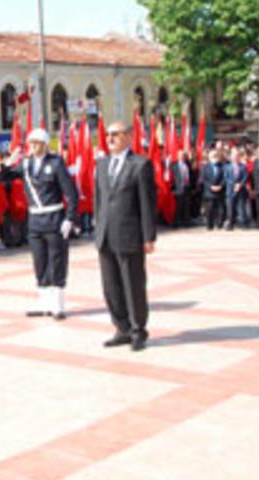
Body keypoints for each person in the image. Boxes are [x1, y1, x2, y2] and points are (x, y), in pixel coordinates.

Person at [0, 128, 78, 320]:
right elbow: (3, 178)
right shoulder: (26, 164)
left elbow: (71, 193)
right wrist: (8, 163)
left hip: (54, 218)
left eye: (36, 143)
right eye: (30, 143)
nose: (32, 147)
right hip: (35, 221)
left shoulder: (56, 163)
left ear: (44, 144)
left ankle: (57, 304)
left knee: (57, 260)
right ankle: (43, 302)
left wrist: (70, 218)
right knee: (40, 261)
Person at [94, 122, 157, 352]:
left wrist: (149, 236)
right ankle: (121, 328)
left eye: (115, 134)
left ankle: (138, 330)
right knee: (111, 286)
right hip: (106, 235)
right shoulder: (102, 165)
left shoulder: (140, 164)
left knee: (133, 285)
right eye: (108, 134)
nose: (110, 138)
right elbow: (99, 201)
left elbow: (147, 203)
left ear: (129, 137)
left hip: (130, 234)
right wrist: (97, 228)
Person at [224, 147, 249, 230]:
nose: (236, 157)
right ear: (231, 156)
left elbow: (245, 177)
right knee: (230, 208)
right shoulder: (227, 166)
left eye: (237, 155)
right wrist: (234, 185)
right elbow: (226, 178)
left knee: (241, 208)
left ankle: (243, 224)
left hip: (241, 191)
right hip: (230, 191)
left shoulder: (243, 166)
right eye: (234, 155)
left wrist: (240, 185)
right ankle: (231, 224)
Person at [201, 149, 225, 230]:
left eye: (216, 155)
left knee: (220, 209)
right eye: (213, 155)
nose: (214, 157)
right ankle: (209, 225)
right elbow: (204, 179)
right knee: (210, 209)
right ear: (209, 157)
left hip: (220, 191)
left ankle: (219, 224)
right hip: (209, 192)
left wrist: (221, 186)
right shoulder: (205, 167)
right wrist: (211, 186)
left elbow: (224, 178)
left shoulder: (222, 166)